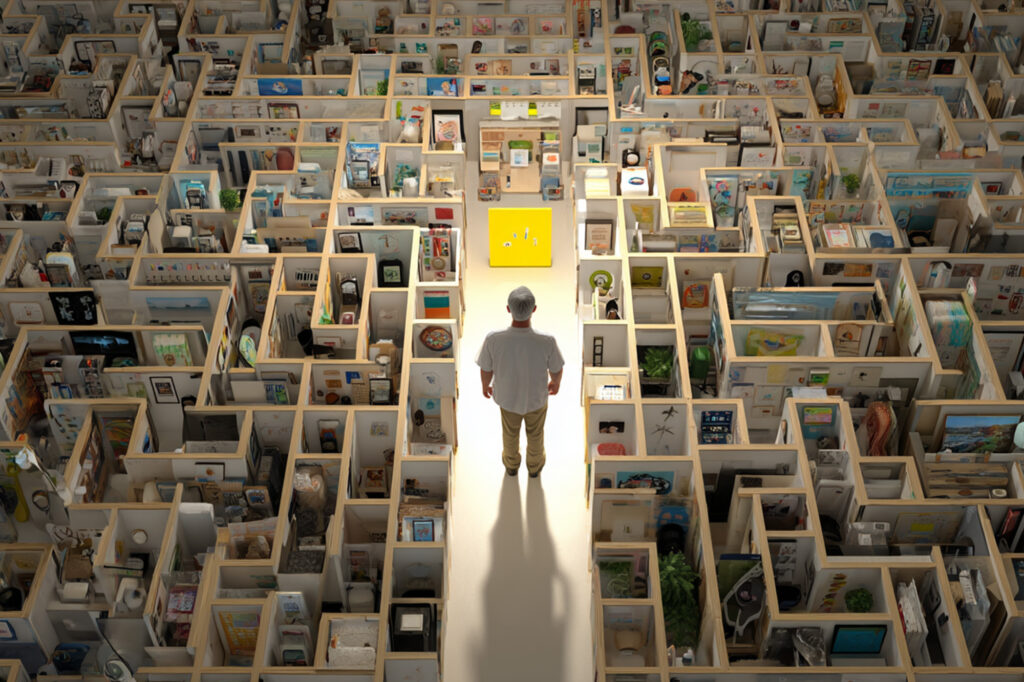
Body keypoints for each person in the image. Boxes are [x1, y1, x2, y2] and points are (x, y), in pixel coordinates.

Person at [477, 286, 564, 478]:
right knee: (536, 434)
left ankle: (511, 465)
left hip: (507, 400)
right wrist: (555, 383)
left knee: (509, 434)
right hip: (536, 400)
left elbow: (486, 368)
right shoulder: (546, 341)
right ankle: (534, 467)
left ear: (508, 309)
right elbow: (557, 369)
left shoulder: (494, 339)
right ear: (534, 310)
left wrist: (485, 385)